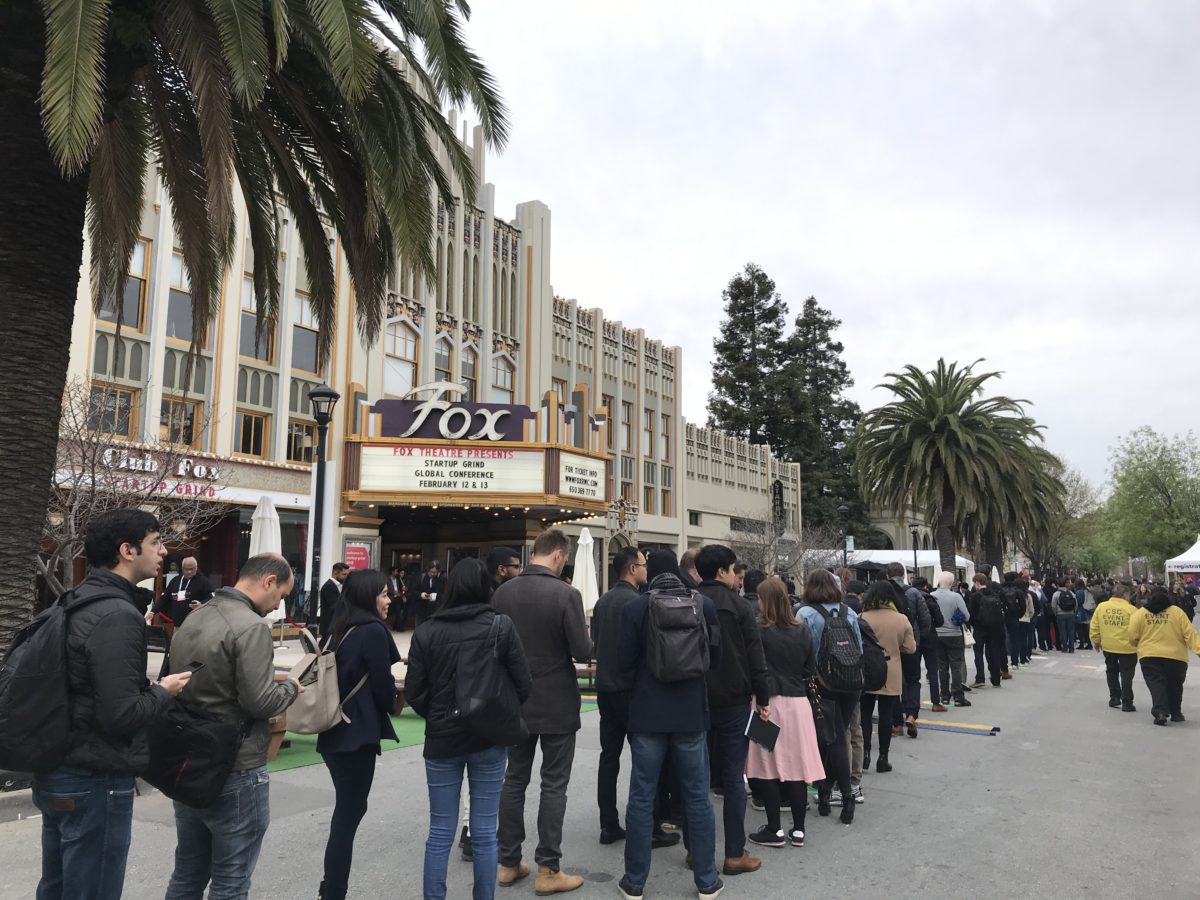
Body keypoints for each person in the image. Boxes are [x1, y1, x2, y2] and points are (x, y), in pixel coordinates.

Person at [32, 509, 191, 900]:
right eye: (156, 543)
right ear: (127, 550)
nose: (164, 551)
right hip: (95, 778)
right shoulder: (118, 614)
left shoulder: (76, 600)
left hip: (60, 767)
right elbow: (121, 715)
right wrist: (163, 691)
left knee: (57, 888)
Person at [164, 553, 303, 900]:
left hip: (190, 756)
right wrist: (291, 688)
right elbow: (260, 702)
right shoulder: (251, 626)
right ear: (268, 581)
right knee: (231, 879)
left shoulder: (195, 617)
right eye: (281, 595)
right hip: (236, 762)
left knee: (188, 872)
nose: (277, 606)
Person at [406, 558, 532, 900]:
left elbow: (414, 692)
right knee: (485, 829)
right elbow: (523, 683)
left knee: (440, 831)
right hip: (489, 736)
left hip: (443, 740)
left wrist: (438, 714)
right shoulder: (500, 626)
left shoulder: (427, 631)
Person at [616, 550, 724, 900]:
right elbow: (715, 657)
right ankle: (707, 879)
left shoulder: (634, 607)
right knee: (698, 797)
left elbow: (623, 663)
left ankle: (634, 881)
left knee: (641, 797)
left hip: (647, 714)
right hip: (691, 713)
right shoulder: (703, 604)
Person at [494, 530, 592, 895]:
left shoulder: (503, 592)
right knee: (554, 784)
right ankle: (548, 868)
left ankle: (507, 861)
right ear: (558, 556)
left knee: (514, 780)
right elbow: (581, 651)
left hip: (514, 701)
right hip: (556, 702)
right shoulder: (566, 594)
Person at [316, 570, 403, 900]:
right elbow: (384, 688)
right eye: (383, 594)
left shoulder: (339, 627)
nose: (388, 599)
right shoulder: (372, 631)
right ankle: (333, 891)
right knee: (348, 815)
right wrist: (391, 701)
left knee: (348, 809)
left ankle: (332, 888)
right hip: (358, 734)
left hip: (333, 730)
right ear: (369, 596)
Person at [592, 546, 676, 847]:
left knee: (608, 758)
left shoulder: (602, 603)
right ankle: (650, 827)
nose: (646, 569)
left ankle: (608, 824)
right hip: (633, 691)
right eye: (643, 564)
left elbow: (595, 643)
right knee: (645, 761)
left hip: (605, 689)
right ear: (632, 569)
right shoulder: (640, 603)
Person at [694, 544, 769, 877]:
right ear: (723, 571)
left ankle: (696, 850)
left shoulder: (689, 600)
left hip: (695, 698)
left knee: (696, 777)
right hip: (735, 698)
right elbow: (755, 656)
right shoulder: (739, 606)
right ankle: (734, 852)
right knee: (734, 777)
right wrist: (763, 697)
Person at [746, 578, 825, 850]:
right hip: (798, 704)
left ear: (764, 600)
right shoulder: (801, 629)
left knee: (765, 768)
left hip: (765, 704)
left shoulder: (757, 629)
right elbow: (809, 667)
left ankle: (774, 829)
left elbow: (754, 667)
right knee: (796, 767)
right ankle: (799, 829)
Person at [795, 568, 862, 824]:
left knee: (829, 740)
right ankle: (825, 791)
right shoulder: (850, 612)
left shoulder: (805, 613)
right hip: (851, 682)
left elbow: (803, 649)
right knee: (837, 735)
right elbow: (859, 647)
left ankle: (844, 796)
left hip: (823, 683)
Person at [859, 581, 917, 775]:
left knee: (865, 712)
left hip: (867, 669)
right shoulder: (901, 619)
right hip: (890, 668)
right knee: (886, 714)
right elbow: (910, 648)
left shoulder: (862, 617)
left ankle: (865, 753)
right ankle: (883, 758)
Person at [1128, 588, 1200, 726]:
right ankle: (1176, 713)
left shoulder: (1140, 614)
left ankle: (1160, 711)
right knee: (1175, 685)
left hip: (1149, 655)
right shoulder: (1177, 613)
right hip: (1176, 656)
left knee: (1156, 684)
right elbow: (1190, 634)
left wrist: (1137, 643)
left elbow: (1132, 635)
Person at [884, 562, 930, 737]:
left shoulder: (884, 593)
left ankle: (896, 722)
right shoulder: (913, 592)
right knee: (913, 679)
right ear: (903, 574)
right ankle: (911, 715)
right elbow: (925, 618)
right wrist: (918, 637)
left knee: (894, 681)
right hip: (911, 641)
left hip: (890, 642)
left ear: (888, 575)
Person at [1090, 581, 1139, 712]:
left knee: (1111, 672)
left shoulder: (1101, 607)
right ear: (1124, 596)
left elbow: (1094, 625)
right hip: (1128, 647)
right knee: (1127, 674)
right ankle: (1127, 702)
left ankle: (1114, 697)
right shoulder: (1132, 610)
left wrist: (1096, 640)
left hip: (1109, 645)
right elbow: (1137, 629)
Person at [932, 571, 971, 707]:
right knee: (956, 665)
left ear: (938, 581)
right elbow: (966, 616)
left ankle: (944, 696)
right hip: (954, 634)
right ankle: (958, 696)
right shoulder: (956, 597)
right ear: (952, 583)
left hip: (937, 635)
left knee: (942, 667)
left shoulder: (932, 596)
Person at [150, 556, 213, 629]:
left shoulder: (203, 581)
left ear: (196, 568)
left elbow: (211, 597)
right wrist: (153, 611)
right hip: (177, 625)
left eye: (192, 569)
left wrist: (201, 604)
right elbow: (164, 598)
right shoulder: (175, 580)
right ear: (182, 569)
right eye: (187, 569)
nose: (189, 572)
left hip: (196, 626)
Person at [968, 573, 1007, 687]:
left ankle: (980, 678)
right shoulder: (995, 594)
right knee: (993, 652)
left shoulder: (975, 596)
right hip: (994, 628)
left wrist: (975, 624)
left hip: (980, 629)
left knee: (978, 653)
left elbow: (971, 613)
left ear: (977, 583)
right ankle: (996, 678)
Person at [319, 562, 351, 637]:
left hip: (334, 627)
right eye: (344, 574)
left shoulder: (340, 586)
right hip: (330, 627)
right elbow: (335, 607)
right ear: (336, 573)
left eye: (347, 574)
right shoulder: (329, 586)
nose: (346, 577)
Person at [416, 561, 447, 628]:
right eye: (431, 572)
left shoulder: (444, 579)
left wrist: (436, 596)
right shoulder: (422, 577)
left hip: (436, 609)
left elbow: (446, 593)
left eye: (435, 572)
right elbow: (413, 591)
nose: (432, 574)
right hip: (422, 609)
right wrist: (421, 595)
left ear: (438, 571)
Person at [1052, 582, 1078, 653]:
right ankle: (1071, 648)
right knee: (1071, 631)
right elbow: (1076, 604)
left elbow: (1053, 605)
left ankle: (1064, 648)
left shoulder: (1056, 594)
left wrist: (1056, 613)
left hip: (1060, 615)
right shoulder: (1071, 593)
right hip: (1071, 614)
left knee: (1062, 631)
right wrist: (1074, 612)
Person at [387, 565, 407, 631]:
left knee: (398, 612)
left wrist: (402, 594)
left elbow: (401, 588)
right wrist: (393, 592)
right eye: (396, 571)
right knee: (390, 613)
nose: (397, 573)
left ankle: (399, 627)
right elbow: (386, 588)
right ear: (392, 572)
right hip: (390, 597)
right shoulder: (387, 579)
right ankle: (390, 625)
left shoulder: (398, 579)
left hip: (398, 598)